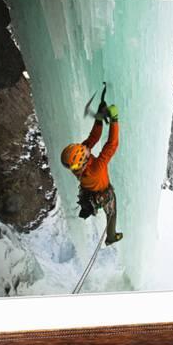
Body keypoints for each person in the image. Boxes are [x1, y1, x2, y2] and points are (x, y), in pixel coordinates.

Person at [60, 102, 123, 246]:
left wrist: (99, 119)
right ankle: (111, 236)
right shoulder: (95, 168)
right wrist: (114, 120)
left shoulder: (78, 165)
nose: (86, 148)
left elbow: (94, 137)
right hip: (102, 194)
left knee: (109, 210)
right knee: (112, 212)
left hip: (89, 192)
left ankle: (109, 233)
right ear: (83, 158)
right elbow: (111, 145)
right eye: (84, 150)